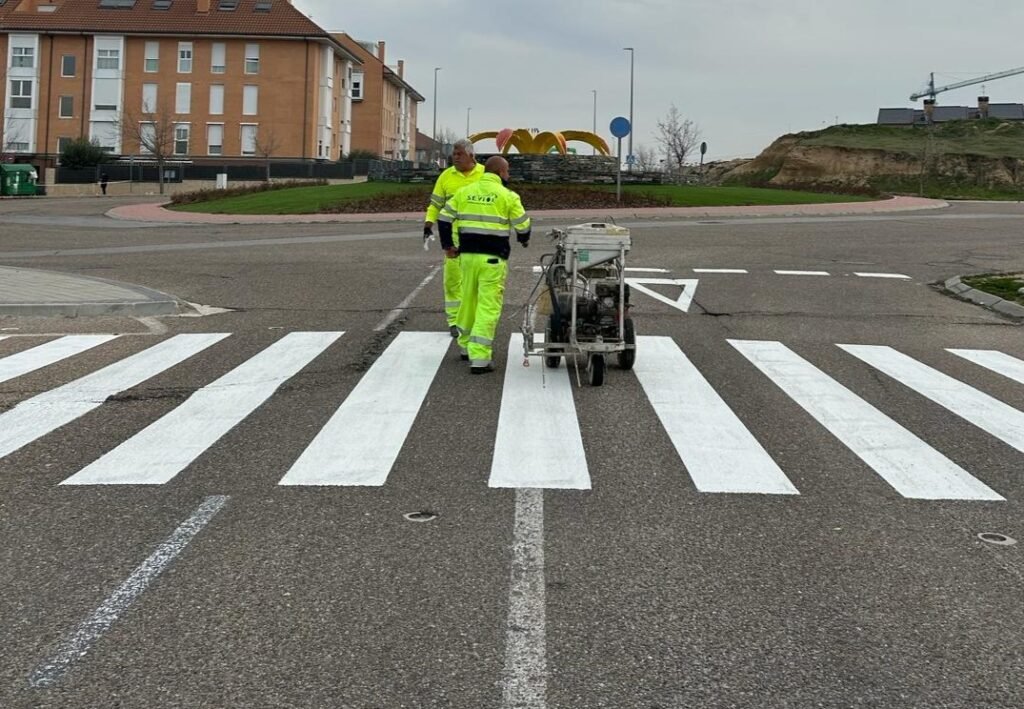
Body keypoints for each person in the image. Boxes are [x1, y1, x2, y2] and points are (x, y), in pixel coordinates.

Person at [437, 156, 531, 374]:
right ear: (500, 172)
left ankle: (465, 347)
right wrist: (523, 240)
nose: (508, 176)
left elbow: (443, 218)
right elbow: (523, 225)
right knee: (488, 305)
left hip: (467, 257)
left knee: (468, 300)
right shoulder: (508, 196)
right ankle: (479, 357)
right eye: (507, 172)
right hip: (493, 259)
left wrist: (448, 245)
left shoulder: (465, 192)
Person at [423, 139, 485, 337]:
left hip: (479, 236)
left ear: (471, 156)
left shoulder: (485, 174)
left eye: (459, 154)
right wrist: (428, 224)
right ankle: (454, 320)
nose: (455, 158)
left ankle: (474, 318)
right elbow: (435, 204)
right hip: (453, 237)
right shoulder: (446, 176)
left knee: (476, 281)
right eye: (454, 154)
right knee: (452, 280)